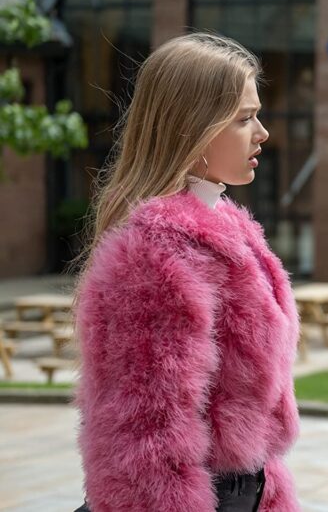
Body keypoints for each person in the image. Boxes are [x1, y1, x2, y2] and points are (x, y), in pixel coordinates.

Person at [72, 32, 300, 512]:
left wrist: (269, 491)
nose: (262, 133)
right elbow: (145, 436)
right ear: (193, 127)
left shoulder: (228, 229)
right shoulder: (157, 253)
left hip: (246, 488)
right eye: (245, 118)